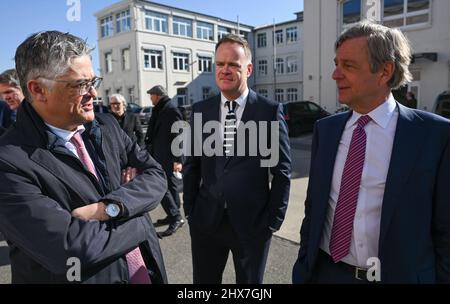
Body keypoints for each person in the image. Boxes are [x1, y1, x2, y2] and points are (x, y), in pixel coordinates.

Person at [0, 31, 169, 284]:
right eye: (80, 85)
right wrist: (141, 219)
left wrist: (111, 208)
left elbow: (156, 175)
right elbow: (70, 249)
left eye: (93, 81)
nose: (93, 93)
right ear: (38, 89)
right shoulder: (9, 161)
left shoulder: (107, 126)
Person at [292, 22, 450, 284]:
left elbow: (446, 231)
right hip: (327, 274)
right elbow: (314, 209)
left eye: (348, 66)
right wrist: (303, 269)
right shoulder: (326, 130)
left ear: (385, 71)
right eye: (336, 63)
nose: (335, 74)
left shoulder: (435, 135)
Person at [183, 34, 291, 284]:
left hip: (253, 225)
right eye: (220, 64)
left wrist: (273, 221)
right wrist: (190, 210)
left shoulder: (268, 111)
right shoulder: (201, 110)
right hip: (206, 221)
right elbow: (192, 165)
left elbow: (282, 171)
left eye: (233, 64)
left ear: (249, 69)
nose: (225, 70)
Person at [144, 85, 185, 237]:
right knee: (171, 186)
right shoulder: (160, 108)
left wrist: (177, 160)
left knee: (163, 187)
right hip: (159, 155)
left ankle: (176, 217)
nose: (150, 98)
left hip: (168, 157)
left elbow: (178, 137)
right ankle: (174, 215)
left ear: (158, 95)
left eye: (151, 95)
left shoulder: (171, 110)